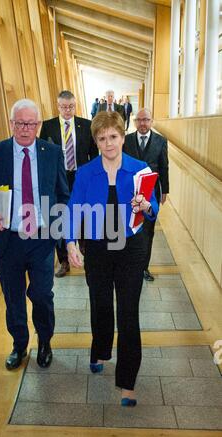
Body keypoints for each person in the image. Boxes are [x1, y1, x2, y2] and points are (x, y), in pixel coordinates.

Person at [65, 111, 158, 406]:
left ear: (122, 136)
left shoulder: (140, 169)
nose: (109, 144)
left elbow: (153, 206)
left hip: (132, 248)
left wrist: (146, 204)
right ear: (96, 140)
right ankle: (101, 350)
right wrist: (70, 243)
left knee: (128, 314)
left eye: (114, 137)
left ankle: (127, 382)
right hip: (98, 249)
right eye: (102, 138)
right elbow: (73, 210)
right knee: (101, 305)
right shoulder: (85, 173)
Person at [0, 99, 69, 370]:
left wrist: (58, 230)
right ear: (11, 124)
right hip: (8, 240)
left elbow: (62, 193)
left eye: (30, 123)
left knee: (42, 294)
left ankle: (44, 341)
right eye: (20, 123)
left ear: (38, 125)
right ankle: (19, 345)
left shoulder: (52, 153)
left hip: (41, 238)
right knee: (13, 297)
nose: (25, 129)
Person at [40, 90, 98, 277]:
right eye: (64, 107)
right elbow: (43, 154)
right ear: (58, 106)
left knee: (83, 214)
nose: (68, 110)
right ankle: (64, 261)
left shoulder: (85, 125)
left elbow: (93, 155)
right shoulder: (48, 127)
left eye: (71, 106)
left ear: (75, 105)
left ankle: (84, 253)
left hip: (80, 177)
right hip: (58, 179)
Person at [123, 108, 169, 281]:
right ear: (135, 122)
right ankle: (128, 265)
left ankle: (143, 268)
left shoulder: (161, 141)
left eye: (146, 119)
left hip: (151, 194)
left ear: (152, 121)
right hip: (129, 193)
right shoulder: (126, 140)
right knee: (131, 227)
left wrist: (165, 189)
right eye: (139, 120)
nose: (143, 123)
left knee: (148, 231)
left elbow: (164, 166)